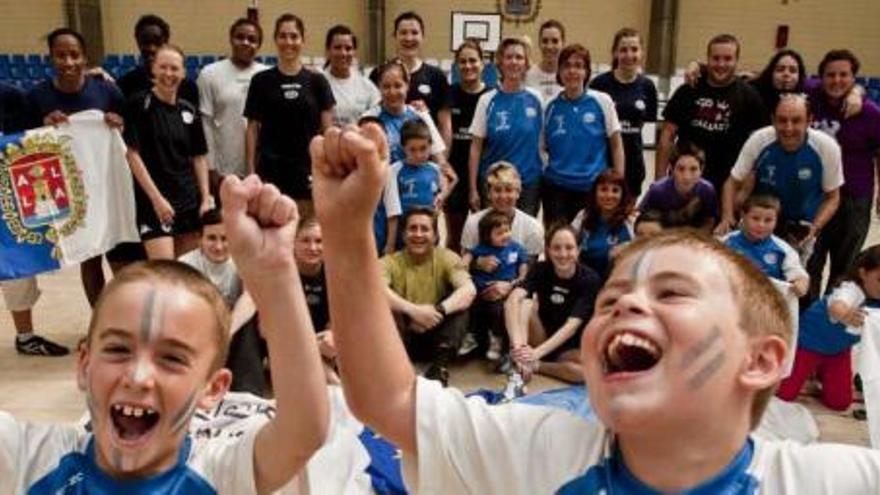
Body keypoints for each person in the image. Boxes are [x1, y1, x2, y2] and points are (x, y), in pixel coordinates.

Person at [310, 126, 880, 493]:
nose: (626, 301)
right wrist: (343, 229)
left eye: (672, 293)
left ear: (759, 360)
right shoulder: (544, 456)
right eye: (611, 299)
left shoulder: (822, 481)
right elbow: (388, 401)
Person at [0, 175, 329, 493]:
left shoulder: (220, 473)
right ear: (84, 365)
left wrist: (276, 275)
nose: (138, 376)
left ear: (213, 389)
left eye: (172, 358)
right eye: (117, 350)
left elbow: (304, 430)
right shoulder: (33, 458)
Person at [718, 94, 843, 257]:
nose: (788, 128)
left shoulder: (826, 147)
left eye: (796, 120)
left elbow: (833, 197)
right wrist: (727, 216)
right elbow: (732, 183)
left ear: (809, 120)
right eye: (782, 120)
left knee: (795, 278)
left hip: (799, 229)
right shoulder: (759, 140)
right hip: (760, 222)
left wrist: (814, 227)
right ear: (773, 120)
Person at [124, 44, 213, 260]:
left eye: (174, 69)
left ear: (183, 73)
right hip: (154, 205)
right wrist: (157, 199)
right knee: (164, 275)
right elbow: (131, 154)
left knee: (186, 275)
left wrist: (205, 197)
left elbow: (199, 157)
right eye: (163, 67)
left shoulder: (188, 110)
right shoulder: (139, 104)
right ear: (153, 69)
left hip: (188, 203)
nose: (168, 74)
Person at [0, 81, 69, 357]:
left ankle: (25, 337)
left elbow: (30, 134)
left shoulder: (10, 95)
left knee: (17, 265)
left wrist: (45, 123)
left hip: (7, 195)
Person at [245, 13, 335, 218]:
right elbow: (252, 129)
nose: (289, 42)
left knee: (307, 238)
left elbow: (328, 131)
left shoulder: (317, 81)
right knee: (274, 239)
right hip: (271, 174)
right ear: (275, 39)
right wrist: (251, 172)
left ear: (303, 40)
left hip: (307, 173)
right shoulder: (261, 81)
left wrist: (326, 172)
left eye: (294, 36)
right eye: (283, 36)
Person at [807, 49, 880, 301]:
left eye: (844, 75)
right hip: (817, 196)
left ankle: (832, 318)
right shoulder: (810, 98)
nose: (836, 80)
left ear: (854, 78)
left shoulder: (869, 113)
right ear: (820, 77)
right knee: (810, 261)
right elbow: (772, 77)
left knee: (845, 266)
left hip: (854, 198)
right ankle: (808, 319)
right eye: (830, 75)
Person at [656, 34, 767, 192]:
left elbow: (758, 148)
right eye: (716, 58)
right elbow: (667, 136)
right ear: (707, 60)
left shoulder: (750, 96)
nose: (721, 64)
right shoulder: (688, 90)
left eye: (728, 59)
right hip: (685, 181)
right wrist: (660, 182)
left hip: (727, 186)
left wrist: (744, 191)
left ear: (737, 61)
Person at [380, 208, 477, 386]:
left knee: (461, 306)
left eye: (424, 229)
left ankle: (439, 369)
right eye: (412, 228)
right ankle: (391, 369)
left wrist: (435, 312)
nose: (418, 234)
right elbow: (375, 291)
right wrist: (414, 311)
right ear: (403, 234)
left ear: (434, 235)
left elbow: (468, 290)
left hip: (438, 335)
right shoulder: (389, 262)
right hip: (403, 334)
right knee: (378, 306)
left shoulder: (447, 257)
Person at [778, 245, 880, 411]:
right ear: (863, 273)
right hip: (807, 345)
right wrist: (847, 315)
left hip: (838, 351)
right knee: (784, 394)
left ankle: (820, 371)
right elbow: (837, 307)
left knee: (839, 403)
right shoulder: (850, 289)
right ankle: (803, 366)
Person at [505, 223, 600, 386]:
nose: (563, 254)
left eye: (569, 248)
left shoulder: (590, 279)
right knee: (524, 304)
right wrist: (519, 348)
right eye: (556, 248)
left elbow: (572, 326)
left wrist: (535, 356)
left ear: (578, 250)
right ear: (548, 250)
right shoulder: (540, 269)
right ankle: (520, 357)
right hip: (541, 334)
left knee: (591, 371)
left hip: (568, 344)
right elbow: (513, 301)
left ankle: (537, 366)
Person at [543, 43, 624, 227]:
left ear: (587, 72)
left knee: (587, 244)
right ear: (559, 71)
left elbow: (617, 145)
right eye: (567, 65)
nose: (572, 71)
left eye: (578, 66)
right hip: (557, 189)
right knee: (557, 243)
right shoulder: (550, 106)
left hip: (592, 188)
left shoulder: (602, 101)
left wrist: (619, 183)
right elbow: (542, 147)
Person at [468, 38, 544, 216]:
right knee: (493, 236)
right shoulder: (487, 100)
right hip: (495, 184)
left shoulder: (536, 99)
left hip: (527, 183)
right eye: (509, 57)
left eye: (519, 57)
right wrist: (472, 188)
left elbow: (542, 143)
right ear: (500, 62)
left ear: (526, 63)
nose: (514, 62)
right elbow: (476, 147)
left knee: (523, 238)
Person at [590, 27, 658, 196]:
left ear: (641, 52)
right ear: (615, 53)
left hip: (634, 164)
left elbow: (648, 122)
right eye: (623, 50)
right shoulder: (600, 84)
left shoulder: (647, 86)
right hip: (602, 163)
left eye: (634, 49)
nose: (629, 55)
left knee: (626, 217)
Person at [197, 17, 267, 178]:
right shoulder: (209, 74)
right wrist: (210, 165)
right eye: (240, 37)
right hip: (224, 170)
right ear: (231, 39)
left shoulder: (267, 75)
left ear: (259, 45)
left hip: (261, 168)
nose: (245, 42)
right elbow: (205, 124)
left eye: (252, 39)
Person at [369, 11, 451, 145]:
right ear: (395, 36)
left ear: (422, 36)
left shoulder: (436, 76)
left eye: (414, 33)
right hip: (388, 154)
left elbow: (445, 125)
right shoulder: (378, 73)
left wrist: (441, 161)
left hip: (424, 157)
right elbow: (372, 115)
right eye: (403, 32)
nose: (409, 38)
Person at [463, 210, 528, 361]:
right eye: (499, 233)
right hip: (480, 288)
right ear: (487, 236)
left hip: (503, 292)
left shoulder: (516, 248)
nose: (505, 235)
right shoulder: (482, 248)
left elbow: (524, 266)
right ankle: (471, 336)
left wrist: (519, 280)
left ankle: (496, 340)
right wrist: (468, 262)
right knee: (473, 307)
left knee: (497, 311)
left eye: (507, 231)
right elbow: (469, 256)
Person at [445, 39, 491, 253]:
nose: (468, 66)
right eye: (462, 61)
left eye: (473, 60)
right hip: (455, 174)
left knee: (488, 234)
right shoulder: (449, 94)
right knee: (455, 236)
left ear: (483, 64)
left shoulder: (491, 97)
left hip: (484, 175)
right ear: (456, 65)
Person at [361, 60, 447, 166]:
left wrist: (443, 177)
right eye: (386, 86)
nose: (392, 92)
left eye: (397, 86)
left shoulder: (421, 116)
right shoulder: (369, 119)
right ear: (379, 88)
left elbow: (440, 159)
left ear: (407, 86)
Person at [723, 194, 810, 298]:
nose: (761, 225)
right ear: (743, 215)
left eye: (768, 220)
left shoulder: (784, 250)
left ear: (776, 221)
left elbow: (799, 276)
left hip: (766, 304)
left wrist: (801, 283)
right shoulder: (725, 243)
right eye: (755, 218)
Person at [117, 14, 199, 106]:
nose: (152, 48)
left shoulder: (188, 87)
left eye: (157, 43)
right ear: (138, 43)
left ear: (166, 43)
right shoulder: (126, 84)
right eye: (146, 42)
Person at [639, 141, 718, 231]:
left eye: (693, 169)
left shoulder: (707, 190)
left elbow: (710, 221)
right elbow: (642, 220)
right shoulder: (657, 190)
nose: (687, 177)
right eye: (681, 169)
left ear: (701, 170)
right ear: (672, 169)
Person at [572, 170, 634, 280]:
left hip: (618, 280)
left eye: (615, 191)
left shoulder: (631, 221)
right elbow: (569, 245)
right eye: (603, 189)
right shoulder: (583, 216)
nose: (609, 195)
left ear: (622, 194)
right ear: (595, 192)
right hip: (585, 280)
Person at [389, 119, 449, 219]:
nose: (418, 155)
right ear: (404, 148)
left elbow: (445, 185)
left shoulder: (435, 169)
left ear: (430, 146)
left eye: (423, 148)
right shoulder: (395, 170)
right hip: (404, 225)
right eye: (412, 150)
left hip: (429, 223)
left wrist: (442, 195)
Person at [323, 25, 380, 126]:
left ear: (354, 52)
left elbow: (376, 121)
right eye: (337, 48)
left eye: (348, 48)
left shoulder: (367, 87)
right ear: (328, 50)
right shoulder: (318, 82)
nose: (343, 53)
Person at [525, 19, 564, 103]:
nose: (549, 47)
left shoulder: (570, 77)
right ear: (539, 43)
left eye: (555, 41)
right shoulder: (527, 76)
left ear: (563, 43)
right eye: (545, 41)